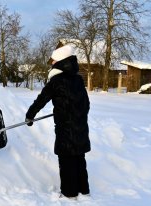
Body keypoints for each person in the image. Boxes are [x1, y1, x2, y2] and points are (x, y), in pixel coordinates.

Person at [25, 44, 91, 199]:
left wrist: (30, 115)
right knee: (79, 159)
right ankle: (84, 190)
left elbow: (41, 100)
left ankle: (69, 193)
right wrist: (76, 115)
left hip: (66, 128)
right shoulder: (78, 79)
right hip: (80, 126)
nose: (52, 63)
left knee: (67, 160)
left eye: (53, 60)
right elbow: (86, 104)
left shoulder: (56, 80)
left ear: (61, 61)